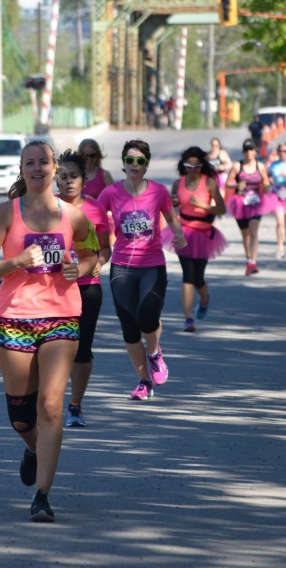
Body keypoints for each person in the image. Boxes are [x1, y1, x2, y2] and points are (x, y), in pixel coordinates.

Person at [0, 140, 97, 523]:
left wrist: (84, 268)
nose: (37, 169)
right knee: (21, 418)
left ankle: (42, 496)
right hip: (14, 317)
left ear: (54, 166)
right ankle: (33, 449)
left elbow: (94, 251)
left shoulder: (73, 216)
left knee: (50, 406)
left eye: (43, 162)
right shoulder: (5, 213)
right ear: (22, 169)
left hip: (61, 315)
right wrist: (15, 261)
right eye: (30, 163)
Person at [98, 139, 186, 401]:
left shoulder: (158, 192)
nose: (134, 165)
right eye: (129, 160)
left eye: (139, 161)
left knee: (147, 317)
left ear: (146, 165)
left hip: (151, 265)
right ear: (124, 164)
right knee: (129, 328)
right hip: (122, 267)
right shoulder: (111, 193)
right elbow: (94, 218)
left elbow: (171, 218)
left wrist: (179, 235)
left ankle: (155, 353)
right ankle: (143, 381)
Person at [56, 150, 111, 428]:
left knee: (81, 349)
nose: (68, 181)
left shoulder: (95, 209)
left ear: (84, 179)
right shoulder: (47, 207)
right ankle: (48, 402)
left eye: (74, 176)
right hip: (51, 289)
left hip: (87, 287)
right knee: (53, 347)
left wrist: (99, 261)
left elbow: (105, 247)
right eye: (62, 176)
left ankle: (75, 406)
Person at [165, 147, 228, 333]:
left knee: (198, 277)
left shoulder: (209, 183)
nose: (193, 170)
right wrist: (174, 204)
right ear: (184, 166)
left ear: (202, 166)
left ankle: (205, 298)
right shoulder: (178, 184)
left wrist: (204, 205)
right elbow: (172, 209)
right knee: (188, 276)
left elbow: (222, 210)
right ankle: (188, 319)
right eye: (189, 166)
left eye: (197, 166)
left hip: (204, 234)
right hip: (183, 232)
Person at [225, 138, 273, 275]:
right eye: (246, 150)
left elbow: (265, 181)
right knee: (245, 234)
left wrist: (267, 185)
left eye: (251, 149)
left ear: (255, 151)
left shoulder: (260, 166)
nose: (248, 152)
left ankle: (253, 261)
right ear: (243, 152)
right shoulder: (237, 166)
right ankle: (248, 258)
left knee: (253, 230)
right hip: (240, 202)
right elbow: (228, 183)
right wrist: (236, 185)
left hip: (256, 201)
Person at [268, 141, 286, 259]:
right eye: (280, 151)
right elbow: (268, 176)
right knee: (280, 222)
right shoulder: (273, 164)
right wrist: (269, 180)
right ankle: (280, 246)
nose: (282, 153)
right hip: (277, 194)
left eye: (285, 151)